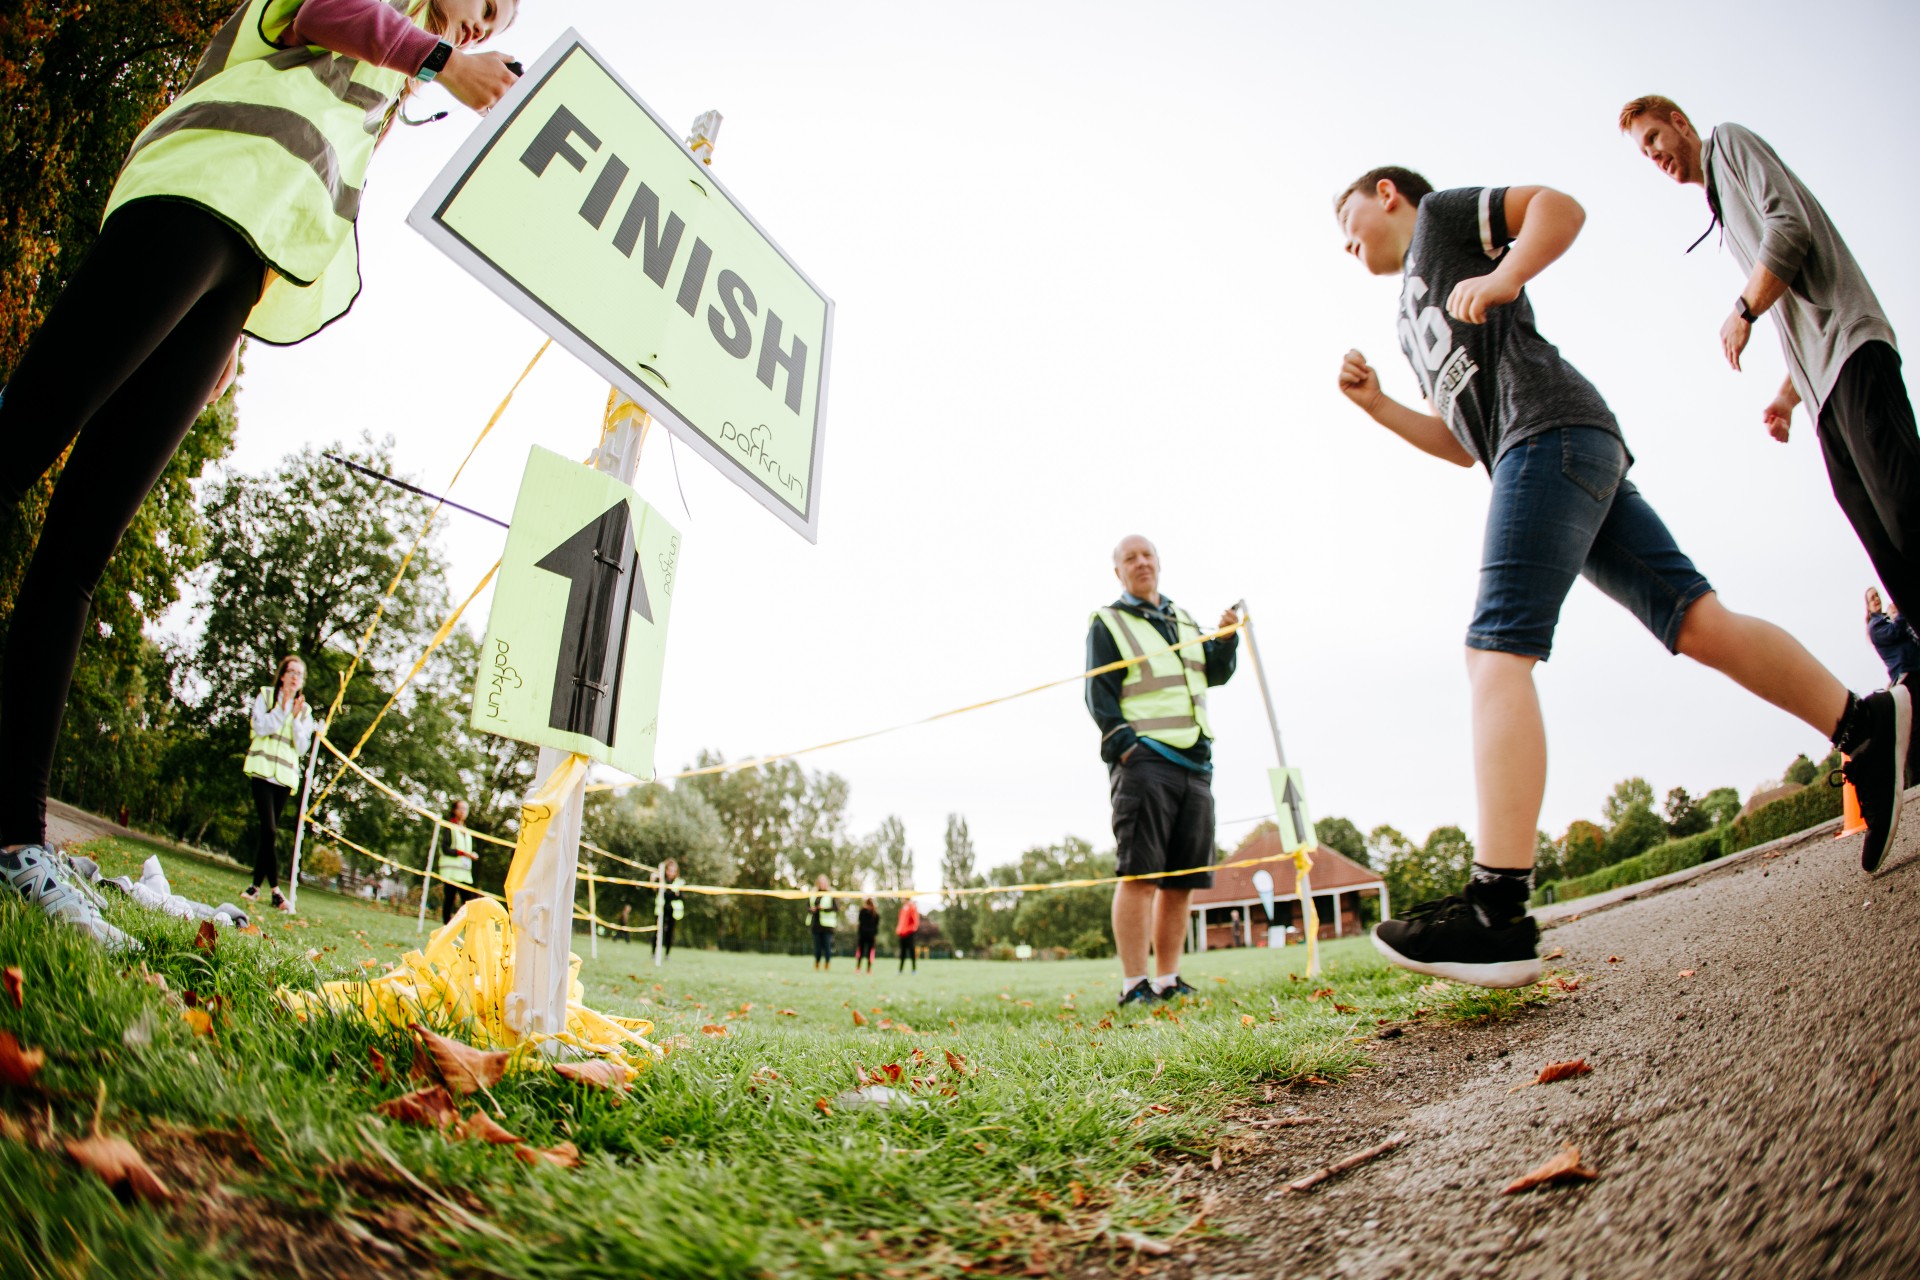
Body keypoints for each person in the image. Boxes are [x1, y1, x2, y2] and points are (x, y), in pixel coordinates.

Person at [0, 0, 521, 945]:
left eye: (498, 19)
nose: (486, 22)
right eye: (486, 2)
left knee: (78, 553)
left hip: (236, 268)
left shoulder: (387, 88)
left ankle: (12, 845)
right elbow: (318, 11)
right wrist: (442, 57)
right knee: (19, 446)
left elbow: (303, 181)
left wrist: (231, 328)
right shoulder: (390, 26)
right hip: (191, 199)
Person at [1332, 167, 1908, 987]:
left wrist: (1504, 275)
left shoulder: (1444, 223)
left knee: (1495, 653)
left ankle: (1498, 909)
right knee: (1697, 621)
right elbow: (1463, 442)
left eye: (1347, 221)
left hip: (1552, 434)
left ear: (1387, 192)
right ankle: (1864, 726)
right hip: (1544, 449)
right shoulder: (1407, 316)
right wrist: (1379, 406)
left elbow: (1560, 209)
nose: (1347, 244)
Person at [1619, 97, 1920, 628]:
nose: (1653, 156)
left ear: (1680, 124)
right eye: (1643, 153)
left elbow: (1789, 229)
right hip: (1822, 387)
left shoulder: (1730, 145)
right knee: (1883, 542)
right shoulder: (1724, 211)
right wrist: (1787, 395)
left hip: (1852, 350)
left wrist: (1743, 309)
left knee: (1905, 511)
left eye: (1653, 139)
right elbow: (1795, 309)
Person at [1086, 535, 1239, 1006]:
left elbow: (1212, 672)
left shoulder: (1183, 618)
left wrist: (1226, 640)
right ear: (1118, 572)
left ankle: (1169, 979)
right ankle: (1135, 985)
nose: (1141, 562)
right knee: (1140, 873)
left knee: (1183, 878)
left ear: (1159, 563)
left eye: (1147, 554)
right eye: (1129, 557)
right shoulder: (1108, 622)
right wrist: (1126, 748)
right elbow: (1100, 694)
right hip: (1146, 760)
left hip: (1196, 760)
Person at [242, 655, 315, 911]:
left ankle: (254, 887)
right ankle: (275, 891)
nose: (296, 677)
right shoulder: (266, 696)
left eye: (300, 674)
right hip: (262, 770)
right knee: (270, 830)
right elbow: (260, 727)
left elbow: (303, 745)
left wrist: (294, 718)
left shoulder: (305, 710)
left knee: (267, 833)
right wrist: (282, 709)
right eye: (292, 672)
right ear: (283, 675)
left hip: (284, 776)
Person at [1865, 589, 1920, 686]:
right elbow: (1896, 631)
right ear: (1868, 607)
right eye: (1872, 598)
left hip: (1914, 667)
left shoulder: (1886, 619)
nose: (1877, 599)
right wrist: (1900, 611)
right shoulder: (1874, 626)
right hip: (1907, 674)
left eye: (1877, 595)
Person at [438, 799, 475, 925]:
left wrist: (471, 855)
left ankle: (466, 924)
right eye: (461, 808)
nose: (464, 812)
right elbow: (445, 848)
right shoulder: (450, 827)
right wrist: (463, 853)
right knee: (449, 899)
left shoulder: (466, 830)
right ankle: (446, 925)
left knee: (467, 901)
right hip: (451, 871)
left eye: (466, 809)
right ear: (454, 810)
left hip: (464, 872)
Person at [808, 874, 838, 971]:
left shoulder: (831, 893)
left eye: (824, 882)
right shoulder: (814, 893)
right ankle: (817, 964)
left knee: (827, 947)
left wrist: (824, 909)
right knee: (817, 948)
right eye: (820, 882)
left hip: (827, 926)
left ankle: (827, 965)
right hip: (816, 925)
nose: (822, 884)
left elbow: (836, 908)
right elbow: (807, 906)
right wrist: (811, 909)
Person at [658, 857, 685, 958]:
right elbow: (663, 895)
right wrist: (674, 894)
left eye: (673, 870)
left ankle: (667, 954)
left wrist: (671, 895)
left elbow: (681, 896)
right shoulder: (661, 880)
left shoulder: (679, 882)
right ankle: (655, 953)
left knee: (670, 934)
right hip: (661, 909)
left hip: (673, 911)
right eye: (669, 870)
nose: (671, 872)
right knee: (658, 932)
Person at [895, 897, 921, 974]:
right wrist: (899, 930)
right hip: (902, 934)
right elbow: (901, 921)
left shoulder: (912, 908)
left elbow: (915, 922)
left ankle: (914, 969)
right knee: (902, 952)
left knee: (911, 952)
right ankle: (900, 970)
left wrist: (910, 930)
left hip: (909, 934)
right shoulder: (902, 909)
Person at [855, 896, 879, 973]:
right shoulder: (874, 913)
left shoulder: (864, 912)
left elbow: (860, 922)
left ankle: (860, 968)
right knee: (867, 952)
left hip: (865, 935)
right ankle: (867, 969)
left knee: (864, 952)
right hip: (869, 935)